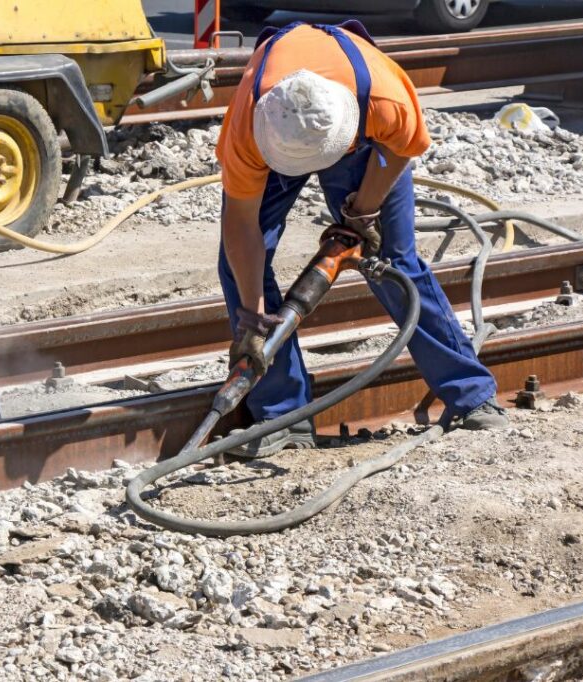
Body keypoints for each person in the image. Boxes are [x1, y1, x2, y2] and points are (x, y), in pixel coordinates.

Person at [216, 20, 508, 458]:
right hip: (281, 141)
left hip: (358, 140)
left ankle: (470, 394)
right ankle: (281, 416)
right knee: (238, 272)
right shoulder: (249, 129)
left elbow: (402, 148)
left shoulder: (386, 100)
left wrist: (361, 213)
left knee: (394, 263)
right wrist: (253, 321)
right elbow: (242, 228)